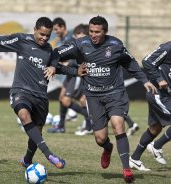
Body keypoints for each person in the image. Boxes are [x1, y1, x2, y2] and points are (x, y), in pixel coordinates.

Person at [54, 15, 157, 183]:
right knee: (100, 138)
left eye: (97, 32)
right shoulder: (81, 44)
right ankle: (107, 148)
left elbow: (130, 63)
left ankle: (126, 169)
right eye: (91, 31)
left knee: (118, 125)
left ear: (105, 32)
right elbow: (57, 53)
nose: (93, 35)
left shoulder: (115, 45)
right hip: (93, 97)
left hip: (115, 93)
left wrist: (144, 80)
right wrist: (53, 65)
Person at [0, 17, 66, 169]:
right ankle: (49, 154)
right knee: (24, 115)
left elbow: (57, 62)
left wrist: (59, 67)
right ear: (34, 30)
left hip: (40, 96)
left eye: (47, 35)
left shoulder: (49, 50)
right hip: (21, 91)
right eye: (41, 34)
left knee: (37, 132)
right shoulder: (22, 40)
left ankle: (27, 160)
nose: (44, 38)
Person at [129, 41, 171, 171]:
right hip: (158, 94)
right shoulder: (168, 48)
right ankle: (156, 146)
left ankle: (134, 159)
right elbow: (147, 61)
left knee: (155, 128)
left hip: (167, 96)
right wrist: (159, 79)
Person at [47, 24, 93, 135]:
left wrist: (68, 63)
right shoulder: (70, 40)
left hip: (75, 74)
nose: (56, 32)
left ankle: (89, 120)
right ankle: (61, 126)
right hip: (69, 74)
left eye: (57, 29)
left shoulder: (82, 44)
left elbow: (78, 60)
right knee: (61, 98)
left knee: (68, 100)